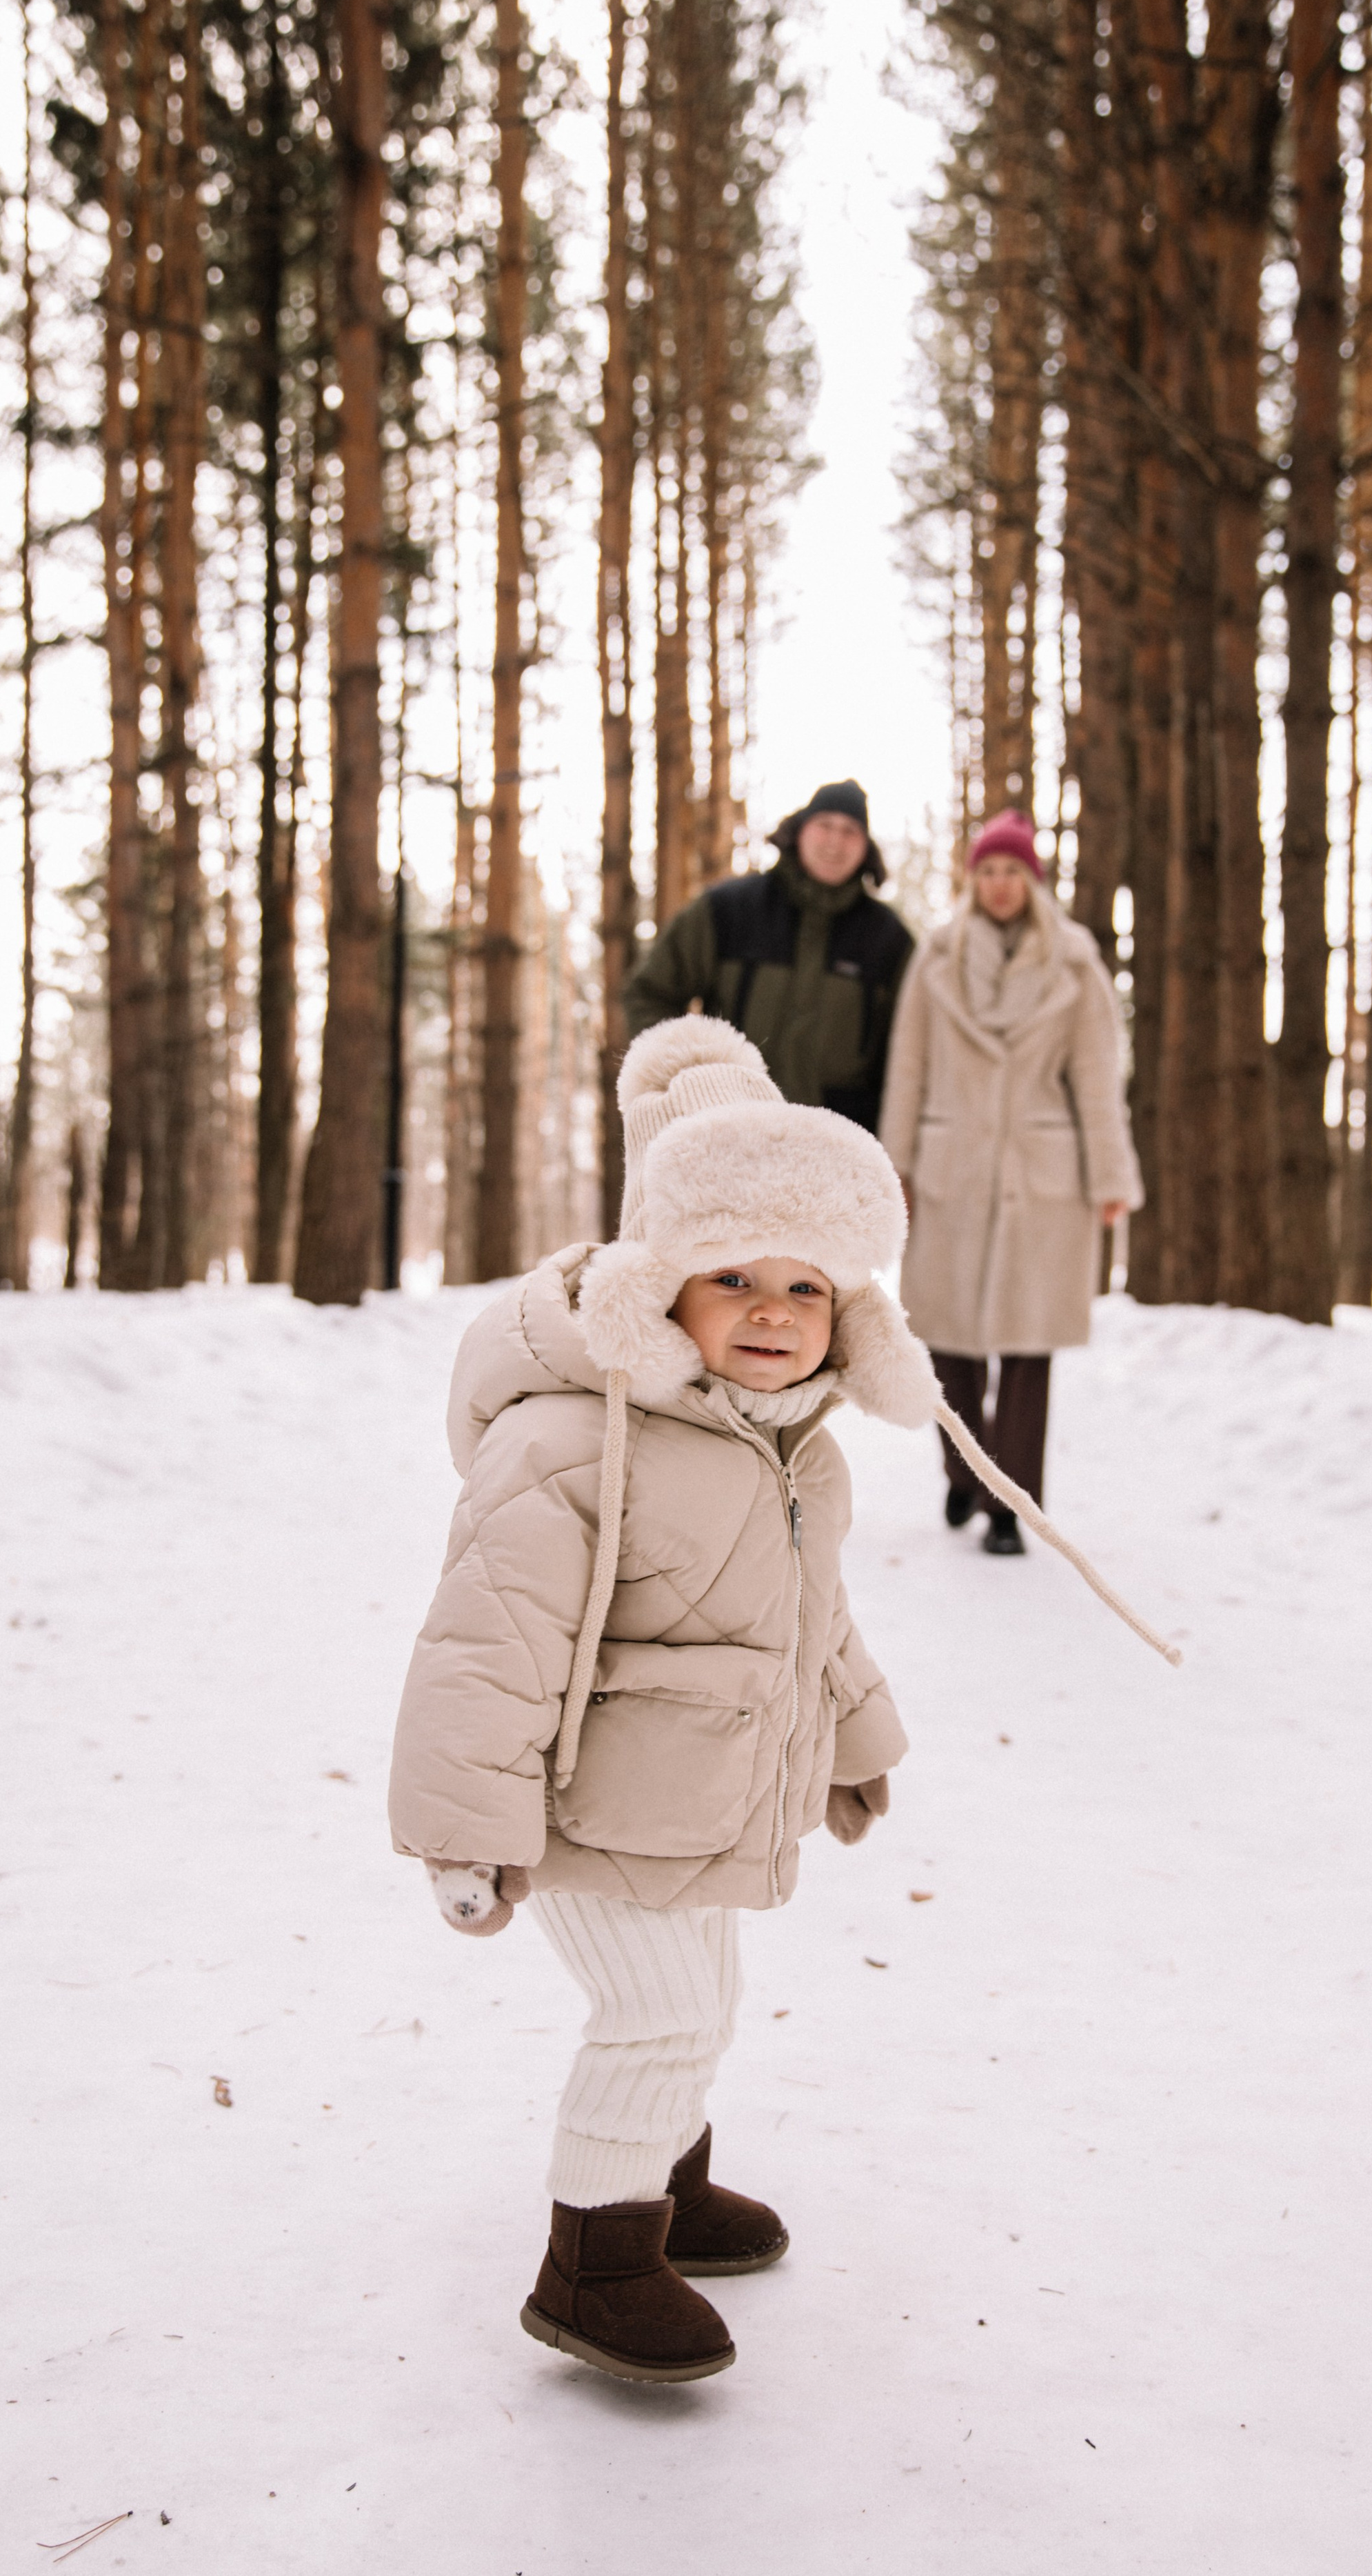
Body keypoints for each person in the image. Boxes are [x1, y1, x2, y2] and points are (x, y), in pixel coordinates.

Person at [388, 1017, 924, 2386]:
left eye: (803, 1288)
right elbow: (487, 1640)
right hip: (587, 1803)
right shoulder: (572, 1438)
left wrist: (853, 1737)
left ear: (848, 1314)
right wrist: (466, 1830)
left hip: (703, 1799)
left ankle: (664, 2180)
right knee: (659, 2015)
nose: (768, 1311)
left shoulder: (796, 1448)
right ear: (657, 1284)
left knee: (706, 1999)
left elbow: (817, 1616)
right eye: (730, 1274)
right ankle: (595, 2262)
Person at [878, 810, 1142, 1557]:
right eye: (987, 872)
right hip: (950, 1167)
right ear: (972, 879)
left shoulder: (1074, 964)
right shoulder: (934, 961)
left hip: (1042, 1175)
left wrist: (1109, 1176)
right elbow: (908, 1071)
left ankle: (1010, 1503)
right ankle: (964, 1471)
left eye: (1012, 873)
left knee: (1029, 1347)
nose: (999, 886)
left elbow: (1095, 1081)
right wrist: (894, 1169)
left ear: (1032, 882)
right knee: (948, 1336)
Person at [623, 777, 914, 1131]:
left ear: (866, 847)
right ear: (800, 830)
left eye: (850, 831)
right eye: (825, 826)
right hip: (728, 1131)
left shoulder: (890, 940)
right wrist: (689, 1082)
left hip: (839, 1146)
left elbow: (910, 1054)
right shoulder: (729, 911)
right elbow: (650, 993)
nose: (836, 841)